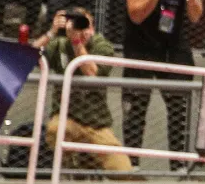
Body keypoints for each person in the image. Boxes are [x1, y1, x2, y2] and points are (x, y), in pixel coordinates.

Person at [122, 0, 205, 168]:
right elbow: (136, 14)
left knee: (180, 103)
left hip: (174, 42)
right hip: (141, 42)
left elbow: (195, 17)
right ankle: (132, 162)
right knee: (137, 104)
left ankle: (178, 161)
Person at [33, 9, 132, 174]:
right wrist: (52, 32)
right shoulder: (60, 44)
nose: (82, 31)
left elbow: (91, 72)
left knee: (122, 169)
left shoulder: (102, 45)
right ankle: (69, 167)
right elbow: (29, 55)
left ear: (92, 28)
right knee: (55, 129)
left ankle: (86, 165)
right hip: (67, 118)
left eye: (85, 26)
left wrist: (77, 42)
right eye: (77, 26)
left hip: (95, 123)